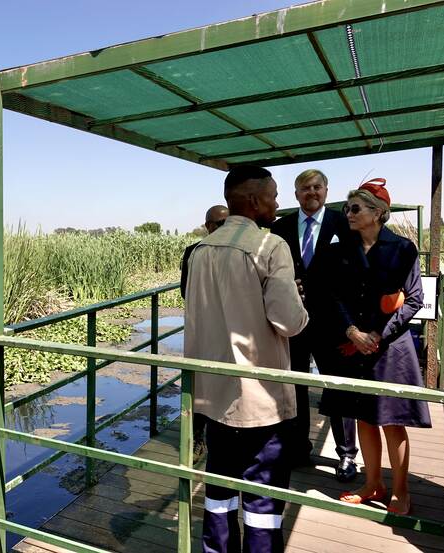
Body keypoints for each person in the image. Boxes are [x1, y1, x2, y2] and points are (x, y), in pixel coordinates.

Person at [185, 165, 308, 553]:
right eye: (273, 195)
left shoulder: (200, 251)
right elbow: (288, 321)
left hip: (213, 395)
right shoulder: (271, 247)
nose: (277, 203)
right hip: (260, 399)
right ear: (254, 201)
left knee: (219, 486)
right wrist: (300, 304)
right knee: (262, 496)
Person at [317, 178, 431, 516]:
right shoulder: (340, 251)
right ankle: (372, 484)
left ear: (378, 213)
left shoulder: (402, 249)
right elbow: (332, 296)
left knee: (392, 421)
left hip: (390, 348)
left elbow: (414, 300)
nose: (347, 214)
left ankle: (400, 490)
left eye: (354, 208)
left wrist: (380, 334)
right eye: (346, 208)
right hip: (354, 345)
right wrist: (352, 331)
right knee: (364, 419)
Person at [270, 169, 358, 481]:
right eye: (305, 188)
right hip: (294, 322)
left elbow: (355, 270)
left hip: (332, 323)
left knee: (337, 387)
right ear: (296, 195)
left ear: (326, 190)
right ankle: (298, 448)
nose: (312, 193)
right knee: (295, 385)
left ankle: (347, 455)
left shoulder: (342, 223)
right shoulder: (279, 228)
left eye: (317, 187)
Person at [181, 204, 229, 464]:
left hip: (230, 333)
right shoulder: (193, 252)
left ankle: (225, 433)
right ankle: (198, 438)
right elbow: (185, 291)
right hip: (202, 331)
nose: (223, 229)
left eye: (227, 223)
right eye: (219, 224)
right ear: (208, 226)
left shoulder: (236, 252)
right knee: (200, 386)